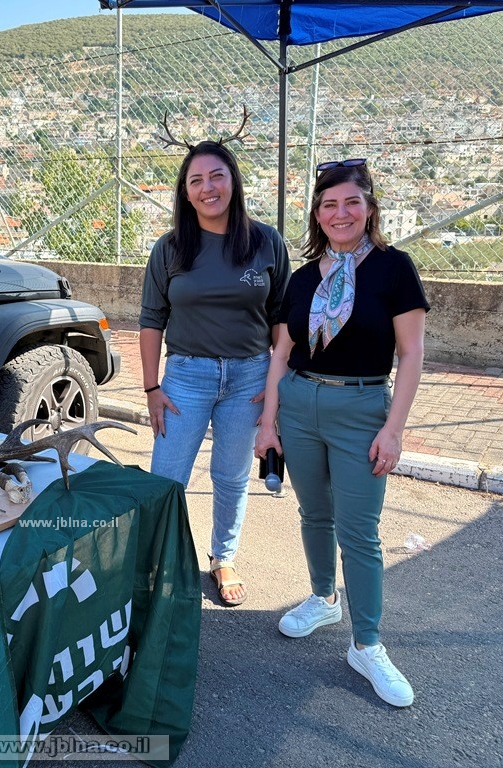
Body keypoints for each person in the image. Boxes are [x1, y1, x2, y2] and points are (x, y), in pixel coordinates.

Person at [254, 159, 429, 707]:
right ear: (317, 214)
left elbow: (411, 354)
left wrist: (393, 430)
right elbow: (282, 352)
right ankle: (323, 598)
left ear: (370, 208)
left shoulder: (394, 268)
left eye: (352, 201)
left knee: (359, 531)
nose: (340, 213)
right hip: (300, 402)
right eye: (329, 204)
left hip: (361, 407)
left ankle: (367, 644)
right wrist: (268, 423)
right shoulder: (305, 277)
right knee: (314, 513)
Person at [139, 139, 290, 607]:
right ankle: (159, 561)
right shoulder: (170, 248)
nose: (208, 188)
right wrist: (151, 387)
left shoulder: (266, 242)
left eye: (217, 176)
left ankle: (223, 557)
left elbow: (282, 320)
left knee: (230, 476)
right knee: (167, 479)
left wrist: (275, 387)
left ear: (233, 181)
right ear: (186, 192)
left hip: (250, 379)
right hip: (186, 377)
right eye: (196, 180)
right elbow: (151, 320)